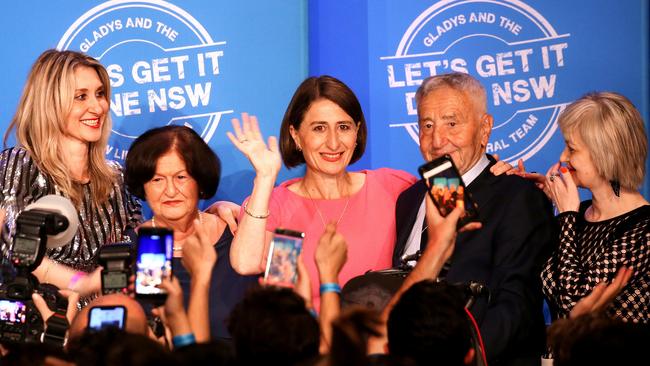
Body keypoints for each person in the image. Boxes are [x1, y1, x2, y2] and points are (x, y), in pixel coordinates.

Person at [391, 72, 555, 365]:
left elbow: (517, 305)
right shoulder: (408, 200)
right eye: (427, 125)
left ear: (485, 128)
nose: (437, 139)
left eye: (451, 123)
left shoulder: (519, 197)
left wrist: (462, 360)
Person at [228, 76, 416, 307]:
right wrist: (265, 176)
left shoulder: (392, 187)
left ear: (357, 132)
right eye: (319, 128)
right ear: (296, 135)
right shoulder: (277, 205)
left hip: (385, 340)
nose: (334, 143)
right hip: (308, 341)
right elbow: (245, 263)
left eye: (344, 127)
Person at [0, 49, 142, 296]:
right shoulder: (18, 165)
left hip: (103, 323)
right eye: (80, 97)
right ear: (50, 103)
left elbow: (138, 244)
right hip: (41, 320)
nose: (97, 107)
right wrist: (82, 283)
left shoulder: (117, 179)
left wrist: (210, 214)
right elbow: (18, 253)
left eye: (100, 94)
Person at [515, 92, 649, 323]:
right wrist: (543, 206)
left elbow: (574, 304)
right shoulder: (579, 215)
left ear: (604, 155)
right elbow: (534, 274)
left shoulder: (644, 231)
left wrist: (567, 213)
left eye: (572, 149)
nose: (563, 156)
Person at [124, 125, 257, 340]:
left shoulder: (236, 233)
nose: (170, 191)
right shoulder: (130, 250)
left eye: (181, 177)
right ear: (143, 186)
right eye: (157, 180)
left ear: (200, 179)